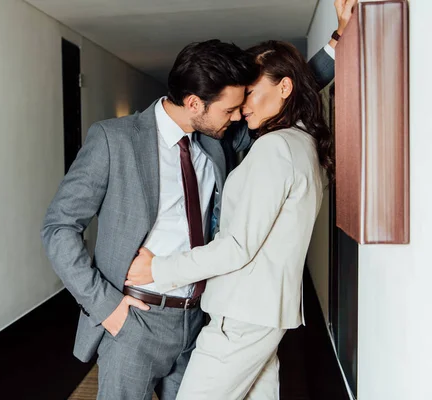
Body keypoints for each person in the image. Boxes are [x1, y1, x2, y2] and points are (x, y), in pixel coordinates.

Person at [42, 3, 350, 396]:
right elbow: (58, 228)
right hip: (134, 320)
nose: (239, 116)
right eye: (230, 108)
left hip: (198, 320)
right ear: (194, 104)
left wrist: (337, 43)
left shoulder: (216, 140)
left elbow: (288, 92)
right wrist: (107, 307)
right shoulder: (114, 141)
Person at [125, 40, 335, 400]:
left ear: (284, 88)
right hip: (266, 313)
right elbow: (299, 80)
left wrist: (157, 269)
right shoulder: (302, 143)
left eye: (250, 93)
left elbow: (236, 247)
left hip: (241, 315)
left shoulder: (275, 148)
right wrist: (335, 43)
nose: (241, 109)